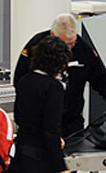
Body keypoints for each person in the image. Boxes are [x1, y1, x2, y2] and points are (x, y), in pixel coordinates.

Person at [14, 14, 106, 137]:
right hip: (38, 123)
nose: (69, 49)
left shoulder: (83, 48)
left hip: (72, 122)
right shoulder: (35, 46)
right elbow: (20, 81)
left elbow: (100, 77)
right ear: (53, 35)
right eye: (64, 44)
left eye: (72, 43)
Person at [9, 36, 71, 173]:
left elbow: (19, 117)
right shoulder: (53, 87)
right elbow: (51, 129)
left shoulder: (24, 80)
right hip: (41, 157)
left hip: (21, 152)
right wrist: (61, 167)